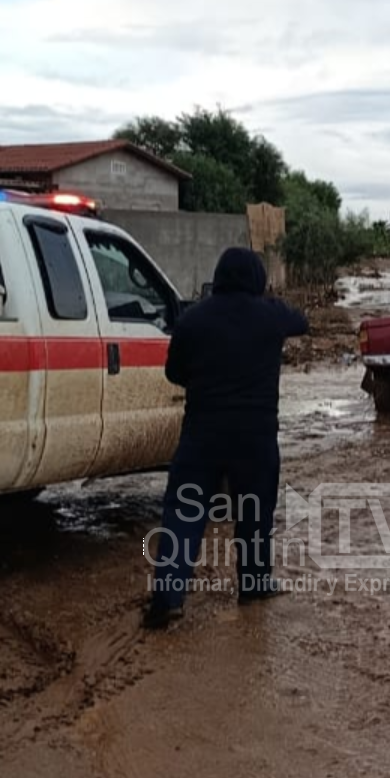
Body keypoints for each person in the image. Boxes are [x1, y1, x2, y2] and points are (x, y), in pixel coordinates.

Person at [144, 247, 309, 629]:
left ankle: (168, 599)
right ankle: (253, 586)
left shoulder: (192, 319)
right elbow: (302, 322)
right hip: (256, 437)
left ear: (217, 277)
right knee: (254, 513)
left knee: (184, 515)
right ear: (256, 279)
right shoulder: (272, 315)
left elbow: (174, 373)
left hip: (201, 433)